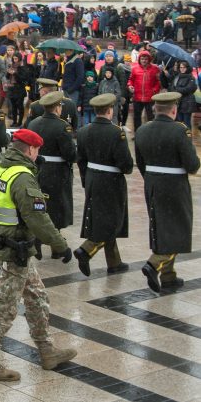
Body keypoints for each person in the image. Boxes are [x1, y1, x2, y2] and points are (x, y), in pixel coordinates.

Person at [0, 128, 75, 382]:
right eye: (37, 150)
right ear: (30, 149)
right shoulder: (22, 177)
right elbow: (36, 217)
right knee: (4, 307)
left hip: (6, 241)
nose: (38, 154)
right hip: (14, 249)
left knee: (37, 297)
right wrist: (60, 244)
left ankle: (47, 350)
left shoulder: (0, 166)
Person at [135, 92, 200, 292]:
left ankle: (169, 276)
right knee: (178, 228)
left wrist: (153, 179)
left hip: (152, 183)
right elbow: (192, 165)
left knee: (161, 226)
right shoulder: (179, 131)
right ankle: (154, 264)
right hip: (174, 185)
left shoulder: (142, 130)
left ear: (155, 109)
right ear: (174, 109)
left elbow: (140, 162)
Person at [73, 93, 133, 276]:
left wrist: (86, 181)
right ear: (110, 110)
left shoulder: (83, 131)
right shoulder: (117, 133)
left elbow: (80, 160)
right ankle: (86, 250)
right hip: (111, 181)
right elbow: (127, 165)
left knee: (103, 218)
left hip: (92, 178)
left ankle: (114, 262)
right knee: (112, 220)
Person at [27, 91, 76, 255]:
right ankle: (56, 246)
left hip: (38, 169)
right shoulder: (63, 126)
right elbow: (69, 154)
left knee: (40, 206)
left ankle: (38, 241)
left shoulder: (34, 123)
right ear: (57, 108)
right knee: (57, 207)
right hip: (57, 172)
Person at [127, 49, 161, 130]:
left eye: (146, 59)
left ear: (149, 59)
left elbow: (158, 82)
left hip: (150, 98)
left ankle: (150, 134)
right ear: (139, 59)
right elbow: (130, 80)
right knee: (136, 117)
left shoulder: (155, 68)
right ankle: (137, 133)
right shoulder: (134, 68)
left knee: (151, 117)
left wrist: (154, 91)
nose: (144, 61)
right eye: (142, 59)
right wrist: (130, 86)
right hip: (137, 97)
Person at [169, 60, 198, 126]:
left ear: (187, 68)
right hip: (178, 102)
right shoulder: (177, 77)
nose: (182, 69)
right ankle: (181, 136)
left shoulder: (191, 77)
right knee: (179, 123)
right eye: (181, 67)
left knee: (186, 123)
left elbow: (189, 89)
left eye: (184, 67)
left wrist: (177, 90)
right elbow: (171, 87)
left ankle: (188, 136)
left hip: (187, 103)